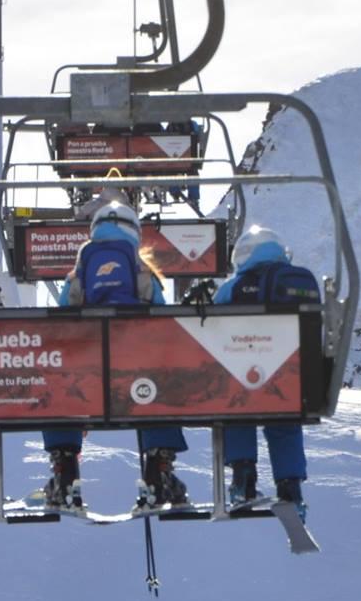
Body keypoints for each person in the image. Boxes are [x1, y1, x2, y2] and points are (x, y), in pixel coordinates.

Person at [41, 198, 193, 510]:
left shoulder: (79, 273)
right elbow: (161, 312)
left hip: (89, 375)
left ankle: (64, 473)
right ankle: (159, 472)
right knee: (160, 389)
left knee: (59, 392)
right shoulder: (140, 270)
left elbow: (63, 316)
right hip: (136, 371)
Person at [215, 226, 319, 519]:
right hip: (293, 381)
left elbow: (212, 317)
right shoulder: (302, 281)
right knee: (284, 424)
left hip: (247, 375)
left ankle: (243, 479)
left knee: (236, 409)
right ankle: (291, 489)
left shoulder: (235, 286)